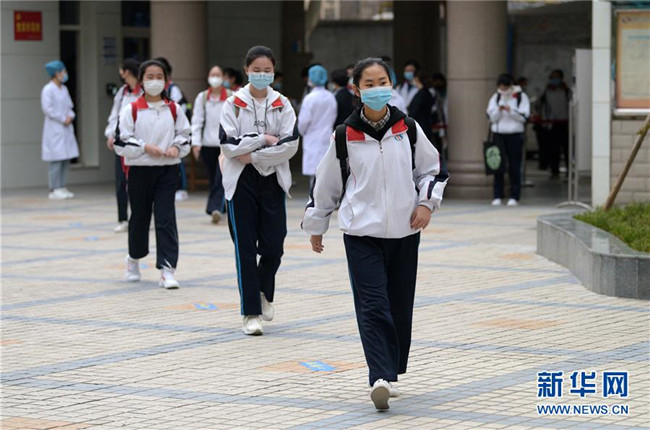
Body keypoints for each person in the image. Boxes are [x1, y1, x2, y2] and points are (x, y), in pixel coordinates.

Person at [302, 58, 448, 411]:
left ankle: (391, 371)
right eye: (369, 83)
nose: (377, 88)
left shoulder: (407, 128)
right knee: (372, 304)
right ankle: (379, 376)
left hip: (404, 230)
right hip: (360, 233)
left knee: (399, 304)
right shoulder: (345, 135)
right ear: (357, 90)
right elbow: (327, 184)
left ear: (391, 85)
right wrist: (317, 225)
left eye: (382, 81)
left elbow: (432, 169)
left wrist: (426, 204)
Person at [219, 46, 299, 336]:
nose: (262, 75)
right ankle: (250, 312)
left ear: (274, 72)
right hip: (240, 181)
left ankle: (264, 290)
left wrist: (252, 154)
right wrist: (264, 138)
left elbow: (289, 145)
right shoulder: (233, 104)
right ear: (247, 70)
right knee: (244, 249)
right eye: (257, 70)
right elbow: (228, 145)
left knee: (274, 246)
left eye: (267, 70)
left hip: (272, 179)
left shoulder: (282, 104)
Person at [115, 59, 191, 288]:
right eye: (150, 77)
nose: (155, 81)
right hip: (139, 171)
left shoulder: (174, 109)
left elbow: (185, 134)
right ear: (141, 80)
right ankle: (133, 258)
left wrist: (176, 147)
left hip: (167, 171)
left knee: (165, 218)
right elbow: (121, 140)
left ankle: (167, 269)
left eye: (159, 76)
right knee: (139, 217)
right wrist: (144, 147)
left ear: (166, 81)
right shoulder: (131, 109)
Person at [105, 58, 143, 232]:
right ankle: (123, 218)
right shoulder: (122, 92)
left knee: (139, 182)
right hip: (122, 143)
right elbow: (115, 115)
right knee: (121, 182)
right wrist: (110, 134)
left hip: (141, 143)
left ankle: (141, 216)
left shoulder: (144, 91)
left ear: (127, 71)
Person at [191, 65, 230, 224]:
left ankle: (214, 208)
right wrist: (196, 143)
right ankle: (222, 207)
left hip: (225, 146)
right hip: (207, 144)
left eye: (218, 74)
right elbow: (197, 121)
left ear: (223, 77)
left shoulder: (230, 96)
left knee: (221, 177)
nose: (215, 77)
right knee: (213, 177)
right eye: (212, 74)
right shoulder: (202, 97)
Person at [486, 73, 530, 207]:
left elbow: (524, 117)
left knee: (514, 166)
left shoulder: (521, 96)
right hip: (498, 135)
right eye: (501, 88)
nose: (503, 90)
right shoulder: (496, 97)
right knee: (497, 165)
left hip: (515, 135)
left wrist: (511, 111)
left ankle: (514, 195)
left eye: (505, 88)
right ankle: (497, 195)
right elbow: (491, 117)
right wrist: (499, 110)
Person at [41, 60, 79, 200]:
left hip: (65, 128)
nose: (65, 74)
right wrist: (63, 119)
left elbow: (70, 106)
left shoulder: (64, 89)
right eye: (63, 72)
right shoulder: (48, 89)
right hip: (55, 128)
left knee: (64, 160)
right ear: (56, 73)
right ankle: (54, 188)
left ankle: (62, 186)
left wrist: (70, 116)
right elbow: (48, 109)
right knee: (56, 161)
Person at [155, 57, 191, 201]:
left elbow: (181, 109)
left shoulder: (173, 89)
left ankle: (181, 188)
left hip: (173, 131)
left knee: (176, 158)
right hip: (159, 131)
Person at [298, 65, 337, 187]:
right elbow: (333, 116)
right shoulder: (331, 96)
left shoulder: (309, 98)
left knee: (314, 177)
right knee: (326, 174)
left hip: (312, 138)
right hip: (327, 136)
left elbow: (303, 121)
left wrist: (302, 132)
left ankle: (314, 197)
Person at [537, 69, 571, 179]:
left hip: (565, 123)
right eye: (552, 78)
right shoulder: (546, 91)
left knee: (567, 149)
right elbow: (539, 105)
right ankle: (554, 171)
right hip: (551, 124)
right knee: (553, 149)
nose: (554, 80)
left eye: (556, 77)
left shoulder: (567, 91)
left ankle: (569, 171)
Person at [406, 71, 435, 142]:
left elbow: (414, 111)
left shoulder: (421, 95)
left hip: (420, 127)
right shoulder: (427, 93)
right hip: (425, 125)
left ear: (417, 79)